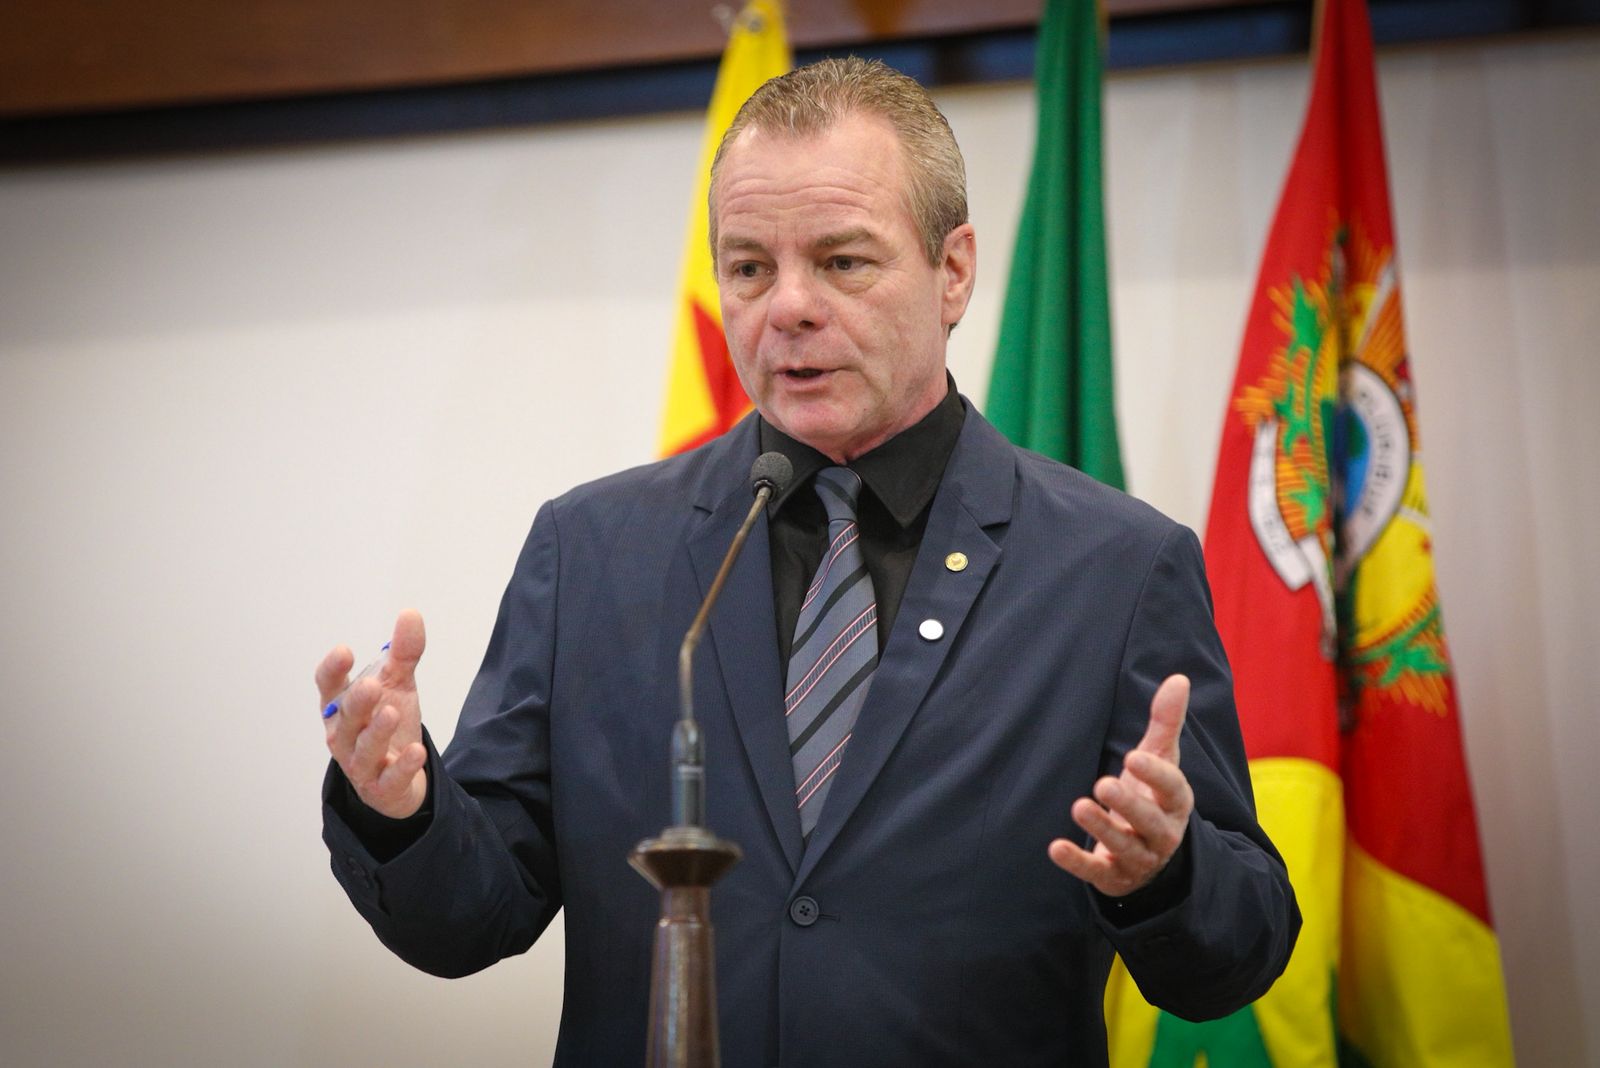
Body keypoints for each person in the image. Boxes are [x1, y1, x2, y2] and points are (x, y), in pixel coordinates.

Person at [318, 57, 1298, 1066]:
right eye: (748, 268)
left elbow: (1239, 954)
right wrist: (402, 808)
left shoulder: (1117, 570)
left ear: (952, 270)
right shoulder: (593, 552)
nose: (786, 307)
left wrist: (1169, 873)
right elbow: (475, 917)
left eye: (842, 262)